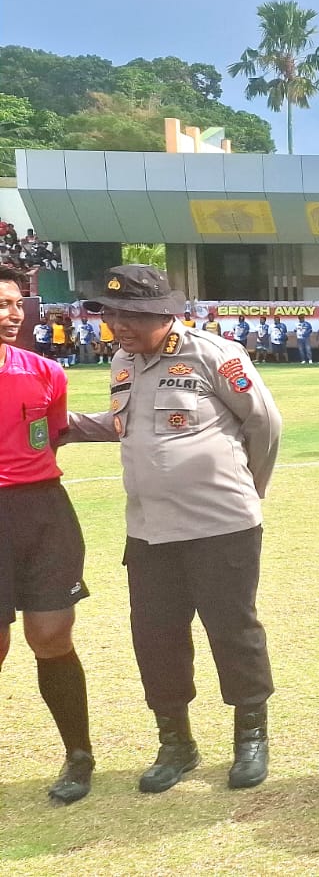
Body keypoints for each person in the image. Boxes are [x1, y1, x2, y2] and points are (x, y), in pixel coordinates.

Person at [65, 264, 281, 793]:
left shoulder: (215, 356)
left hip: (221, 525)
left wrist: (246, 490)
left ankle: (250, 736)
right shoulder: (122, 361)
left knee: (233, 630)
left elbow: (264, 425)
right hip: (149, 530)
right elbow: (126, 425)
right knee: (155, 637)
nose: (120, 325)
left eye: (134, 315)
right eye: (112, 313)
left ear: (169, 313)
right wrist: (67, 425)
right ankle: (176, 743)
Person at [0, 265, 95, 805]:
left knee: (52, 637)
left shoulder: (44, 372)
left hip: (42, 513)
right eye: (1, 304)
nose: (12, 315)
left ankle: (79, 755)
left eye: (16, 304)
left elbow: (49, 439)